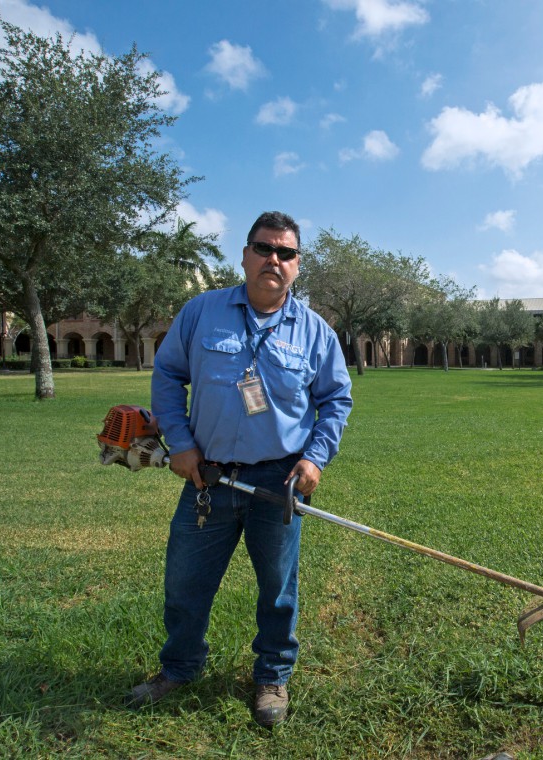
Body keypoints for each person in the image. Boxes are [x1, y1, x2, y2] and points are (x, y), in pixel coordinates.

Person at [126, 211, 353, 726]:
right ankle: (180, 668)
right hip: (206, 476)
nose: (274, 259)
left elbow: (336, 401)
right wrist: (179, 444)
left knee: (277, 587)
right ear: (246, 255)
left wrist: (315, 458)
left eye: (286, 252)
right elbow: (167, 376)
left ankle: (273, 676)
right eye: (264, 248)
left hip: (279, 481)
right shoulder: (201, 312)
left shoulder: (315, 332)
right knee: (185, 582)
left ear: (298, 265)